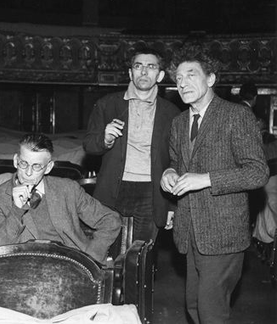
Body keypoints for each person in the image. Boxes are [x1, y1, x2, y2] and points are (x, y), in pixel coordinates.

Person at [160, 46, 269, 324]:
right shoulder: (179, 122)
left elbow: (257, 173)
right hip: (190, 232)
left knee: (211, 311)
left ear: (211, 79)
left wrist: (206, 179)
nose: (182, 83)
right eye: (179, 78)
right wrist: (169, 173)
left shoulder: (236, 116)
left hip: (223, 233)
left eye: (190, 75)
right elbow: (176, 161)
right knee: (195, 306)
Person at [83, 47, 180, 244]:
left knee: (141, 255)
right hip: (113, 187)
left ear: (160, 75)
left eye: (151, 67)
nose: (144, 72)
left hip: (152, 191)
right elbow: (89, 146)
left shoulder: (172, 112)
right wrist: (105, 139)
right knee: (107, 252)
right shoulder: (107, 104)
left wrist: (171, 206)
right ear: (130, 73)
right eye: (138, 66)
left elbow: (177, 159)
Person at [0, 133, 121, 265]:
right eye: (23, 163)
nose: (28, 173)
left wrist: (91, 257)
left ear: (48, 167)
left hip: (72, 268)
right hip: (24, 270)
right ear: (16, 161)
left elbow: (110, 220)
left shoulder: (68, 189)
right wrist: (16, 211)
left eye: (37, 166)